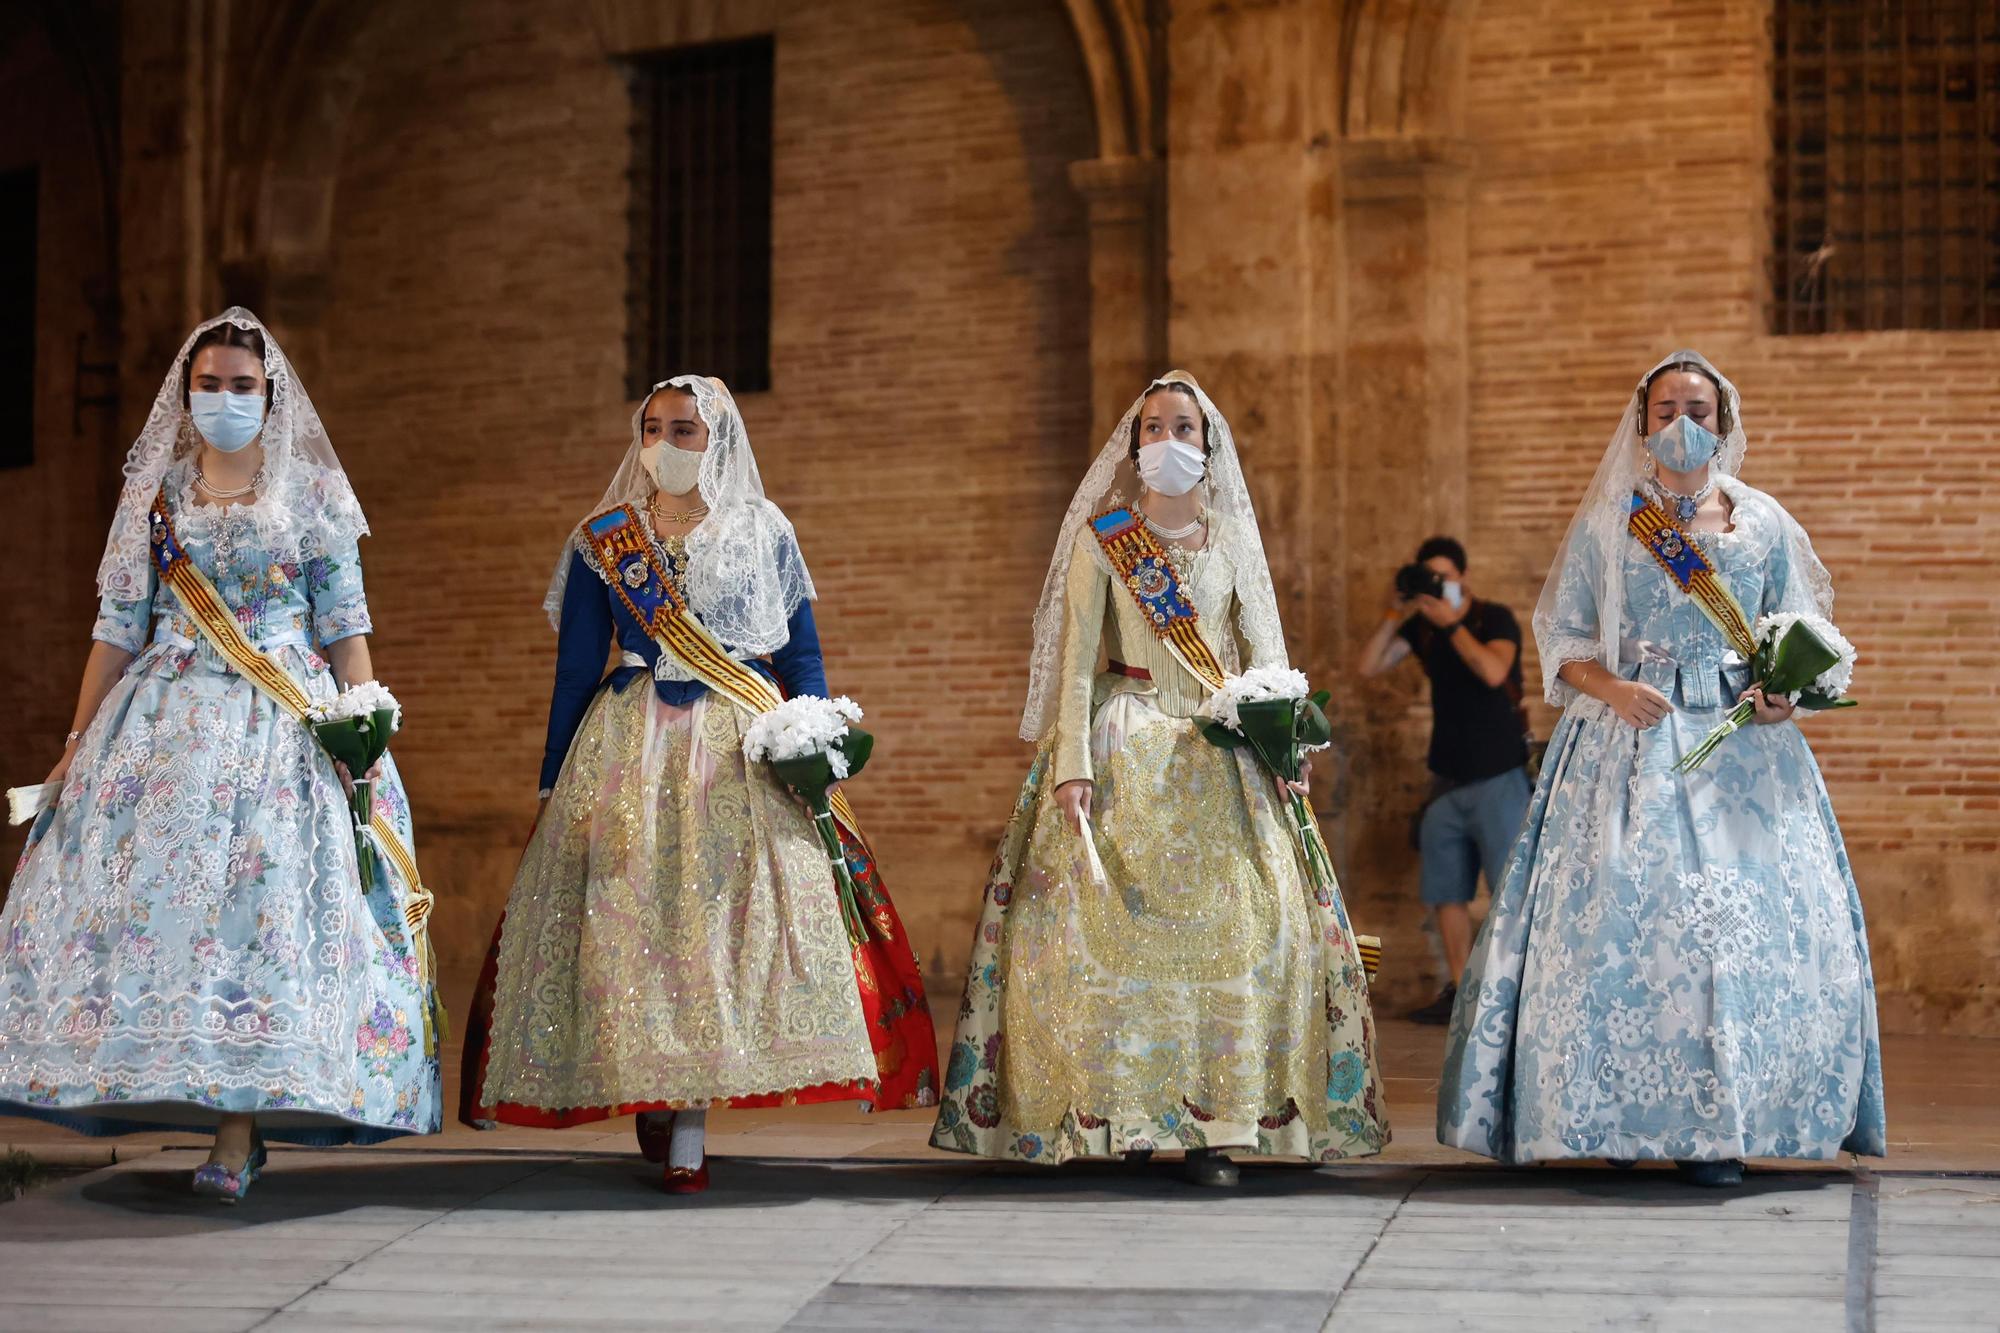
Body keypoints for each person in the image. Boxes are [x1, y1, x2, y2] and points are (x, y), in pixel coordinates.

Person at [0, 308, 443, 1201]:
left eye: (243, 385)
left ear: (269, 395)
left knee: (262, 916)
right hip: (161, 732)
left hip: (283, 725)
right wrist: (76, 745)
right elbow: (117, 626)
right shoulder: (158, 496)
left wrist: (362, 733)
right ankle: (162, 1081)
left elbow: (345, 627)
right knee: (162, 917)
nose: (225, 398)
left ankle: (236, 1133)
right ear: (186, 389)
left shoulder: (311, 494)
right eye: (210, 383)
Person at [460, 376, 937, 1194]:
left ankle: (688, 1120)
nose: (665, 444)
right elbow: (576, 668)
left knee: (721, 930)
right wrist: (550, 783)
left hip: (736, 749)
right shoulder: (602, 538)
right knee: (635, 926)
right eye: (651, 428)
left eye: (684, 429)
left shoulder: (762, 527)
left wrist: (810, 734)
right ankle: (658, 1083)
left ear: (718, 437)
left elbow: (800, 654)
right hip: (629, 746)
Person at [1436, 350, 1886, 1186]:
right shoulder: (1613, 522)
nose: (1684, 422)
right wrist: (1612, 687)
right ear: (1642, 422)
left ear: (1725, 421)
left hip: (1744, 752)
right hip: (1626, 747)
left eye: (1701, 408)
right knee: (1622, 928)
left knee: (1732, 938)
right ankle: (1603, 1115)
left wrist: (1787, 696)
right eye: (1668, 406)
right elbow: (1563, 636)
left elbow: (1802, 629)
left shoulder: (1762, 522)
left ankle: (1722, 1127)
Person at [929, 372, 1388, 1186]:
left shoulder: (1236, 542)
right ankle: (1119, 1119)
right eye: (1152, 427)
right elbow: (1075, 664)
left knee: (1251, 932)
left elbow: (1267, 657)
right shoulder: (1104, 539)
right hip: (1122, 743)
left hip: (1222, 754)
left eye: (1184, 426)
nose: (1167, 440)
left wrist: (1286, 748)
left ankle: (1220, 1124)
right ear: (1134, 445)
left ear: (1207, 445)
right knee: (1103, 939)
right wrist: (1070, 765)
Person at [1356, 537, 1531, 1024]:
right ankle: (1463, 994)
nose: (1437, 586)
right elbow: (1368, 666)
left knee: (1507, 891)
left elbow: (1493, 671)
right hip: (1446, 780)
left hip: (1499, 773)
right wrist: (1396, 613)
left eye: (1443, 578)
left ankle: (1512, 994)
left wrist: (1450, 624)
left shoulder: (1492, 617)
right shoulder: (1421, 629)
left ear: (1464, 577)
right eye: (1427, 578)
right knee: (1446, 893)